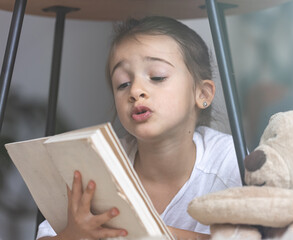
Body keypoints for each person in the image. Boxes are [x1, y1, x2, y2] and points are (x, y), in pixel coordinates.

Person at [37, 16, 242, 240]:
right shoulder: (101, 165)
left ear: (202, 94)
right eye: (123, 83)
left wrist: (162, 235)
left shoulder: (230, 163)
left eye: (157, 76)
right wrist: (71, 235)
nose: (135, 90)